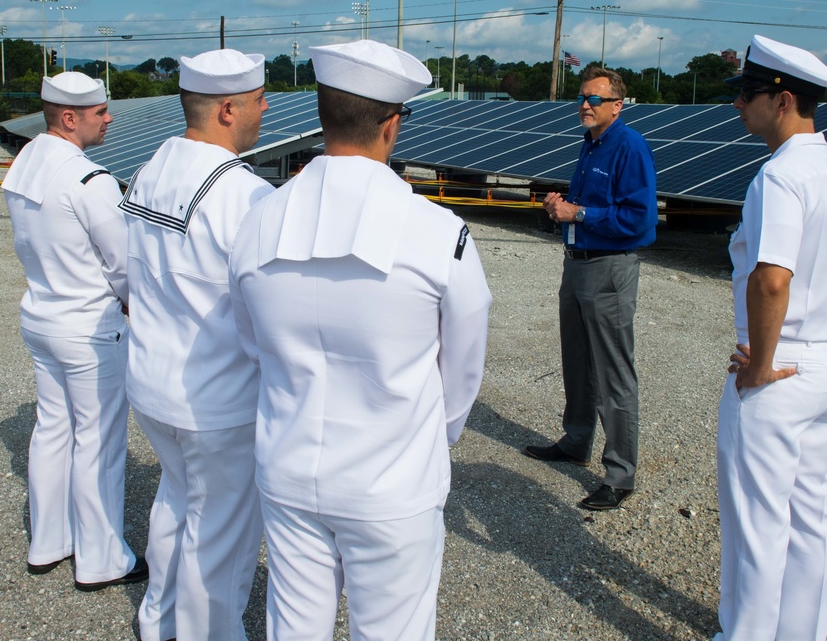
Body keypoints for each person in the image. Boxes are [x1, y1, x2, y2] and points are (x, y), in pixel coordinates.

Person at [228, 39, 492, 641]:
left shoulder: (258, 219)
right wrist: (432, 435)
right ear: (393, 124)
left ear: (321, 112)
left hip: (288, 469)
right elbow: (464, 367)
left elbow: (252, 345)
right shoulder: (437, 232)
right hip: (392, 482)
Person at [714, 35, 827, 641]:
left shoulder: (780, 177)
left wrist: (759, 366)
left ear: (782, 100)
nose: (738, 105)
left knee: (756, 524)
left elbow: (772, 278)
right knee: (811, 516)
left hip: (779, 369)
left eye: (748, 94)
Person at [119, 48, 275, 641]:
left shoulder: (154, 164)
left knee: (176, 501)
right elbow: (264, 308)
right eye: (260, 100)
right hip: (217, 399)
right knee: (223, 533)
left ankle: (158, 619)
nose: (266, 111)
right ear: (230, 109)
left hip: (154, 382)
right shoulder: (244, 194)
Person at [1, 71, 147, 591]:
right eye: (100, 112)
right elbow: (123, 263)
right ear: (69, 118)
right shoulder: (91, 179)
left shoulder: (25, 165)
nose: (109, 119)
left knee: (52, 430)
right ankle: (102, 559)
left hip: (40, 315)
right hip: (88, 327)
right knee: (98, 442)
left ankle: (48, 542)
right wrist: (137, 307)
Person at [523, 66, 657, 511]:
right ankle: (576, 440)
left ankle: (620, 474)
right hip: (577, 264)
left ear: (618, 105)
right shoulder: (591, 144)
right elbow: (587, 206)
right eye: (583, 97)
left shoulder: (629, 146)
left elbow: (640, 221)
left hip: (609, 270)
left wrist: (578, 214)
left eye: (595, 99)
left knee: (614, 372)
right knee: (577, 360)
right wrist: (559, 207)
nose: (585, 104)